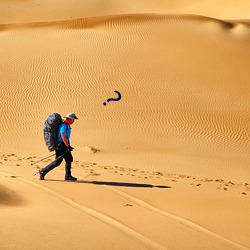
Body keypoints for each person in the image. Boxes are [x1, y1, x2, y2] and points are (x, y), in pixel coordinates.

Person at [39, 112, 78, 181]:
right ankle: (43, 172)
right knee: (57, 162)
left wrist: (68, 145)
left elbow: (66, 137)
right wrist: (67, 146)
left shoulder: (67, 125)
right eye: (73, 119)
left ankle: (68, 175)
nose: (74, 121)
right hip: (61, 145)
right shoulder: (64, 126)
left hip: (64, 145)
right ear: (70, 119)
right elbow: (63, 135)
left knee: (69, 159)